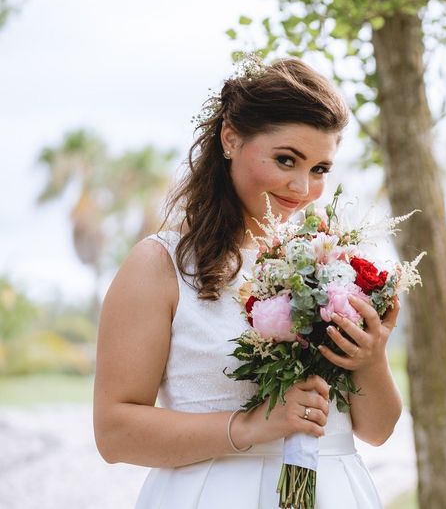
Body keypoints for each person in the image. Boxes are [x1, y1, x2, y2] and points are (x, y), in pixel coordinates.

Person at [93, 58, 402, 508]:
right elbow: (114, 433)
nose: (302, 187)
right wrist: (250, 426)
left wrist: (370, 360)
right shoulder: (161, 265)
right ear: (231, 138)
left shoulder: (336, 267)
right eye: (286, 160)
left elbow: (377, 431)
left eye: (319, 169)